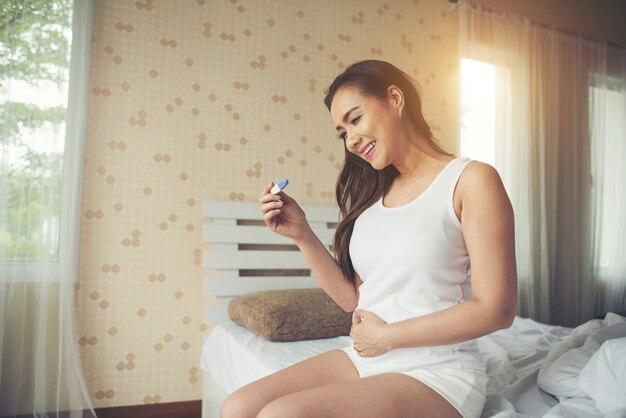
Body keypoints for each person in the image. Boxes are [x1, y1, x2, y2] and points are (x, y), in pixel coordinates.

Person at [220, 59, 517, 418]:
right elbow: (353, 300)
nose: (352, 140)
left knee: (282, 415)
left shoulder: (470, 180)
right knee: (237, 408)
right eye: (342, 132)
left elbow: (496, 310)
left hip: (438, 370)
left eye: (355, 119)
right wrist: (301, 233)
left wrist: (387, 337)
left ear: (395, 98)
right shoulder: (371, 201)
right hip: (365, 358)